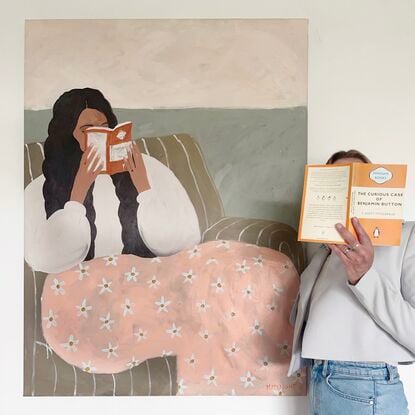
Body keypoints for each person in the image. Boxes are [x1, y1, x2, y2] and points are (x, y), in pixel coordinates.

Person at [288, 150, 414, 414]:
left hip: (365, 382)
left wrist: (365, 276)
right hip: (322, 377)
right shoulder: (324, 250)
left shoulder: (406, 236)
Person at [24, 87, 201, 273]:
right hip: (80, 293)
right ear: (68, 135)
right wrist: (78, 192)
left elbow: (184, 242)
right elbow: (44, 261)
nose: (100, 137)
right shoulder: (41, 186)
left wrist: (143, 186)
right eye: (87, 130)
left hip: (149, 284)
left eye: (105, 128)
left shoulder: (149, 168)